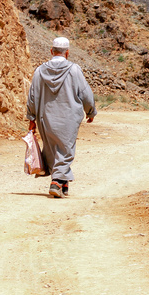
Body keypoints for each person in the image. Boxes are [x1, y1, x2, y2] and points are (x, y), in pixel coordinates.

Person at [26, 36, 96, 198]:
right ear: (67, 53)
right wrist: (90, 111)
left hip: (46, 119)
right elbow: (85, 92)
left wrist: (32, 119)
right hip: (69, 119)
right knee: (66, 150)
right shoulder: (74, 70)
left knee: (52, 149)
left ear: (52, 51)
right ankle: (56, 181)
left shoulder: (40, 71)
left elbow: (32, 96)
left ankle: (63, 183)